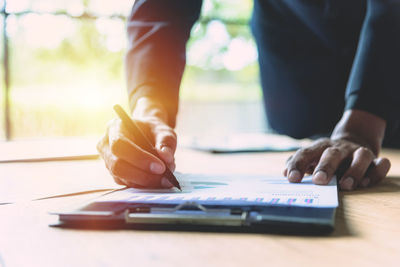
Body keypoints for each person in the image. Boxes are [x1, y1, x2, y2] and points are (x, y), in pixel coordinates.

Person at [97, 0, 400, 191]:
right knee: (304, 165)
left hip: (391, 51)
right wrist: (149, 107)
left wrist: (365, 119)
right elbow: (164, 9)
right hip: (293, 43)